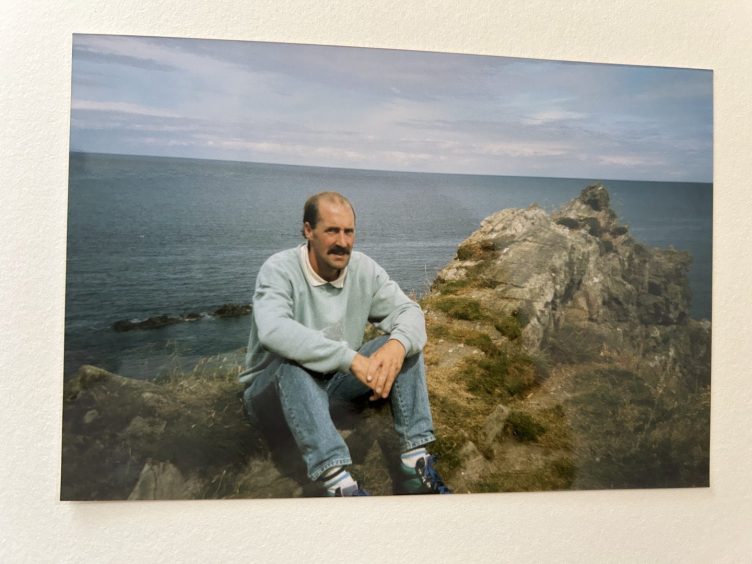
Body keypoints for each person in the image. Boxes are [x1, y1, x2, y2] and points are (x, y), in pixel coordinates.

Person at [239, 191, 450, 497]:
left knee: (403, 347)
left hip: (332, 388)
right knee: (291, 364)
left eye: (348, 231)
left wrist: (397, 346)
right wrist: (350, 359)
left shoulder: (363, 269)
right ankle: (337, 482)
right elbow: (274, 331)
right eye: (331, 231)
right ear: (308, 231)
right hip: (271, 396)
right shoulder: (279, 269)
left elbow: (409, 312)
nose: (342, 242)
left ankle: (414, 462)